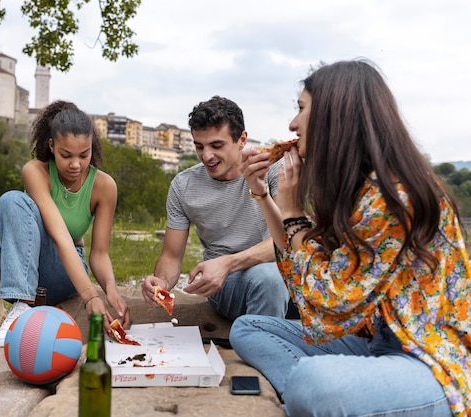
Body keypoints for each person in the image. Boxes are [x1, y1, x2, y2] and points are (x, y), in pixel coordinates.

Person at [234, 59, 471, 417]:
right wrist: (264, 196)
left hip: (427, 362)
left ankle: (312, 398)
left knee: (312, 381)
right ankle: (317, 403)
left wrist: (295, 212)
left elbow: (329, 300)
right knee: (248, 328)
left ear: (334, 116)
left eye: (301, 109)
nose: (292, 124)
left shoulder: (394, 197)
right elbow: (302, 281)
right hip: (375, 343)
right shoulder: (358, 190)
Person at [0, 100, 131, 348]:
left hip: (62, 273)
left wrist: (107, 291)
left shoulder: (104, 186)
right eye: (66, 155)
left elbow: (97, 251)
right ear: (51, 146)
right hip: (21, 269)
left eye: (84, 155)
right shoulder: (35, 171)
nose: (76, 164)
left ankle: (22, 312)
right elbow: (54, 231)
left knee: (13, 200)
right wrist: (90, 295)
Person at [141, 95, 291, 321]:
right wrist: (161, 282)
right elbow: (171, 255)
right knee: (268, 279)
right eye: (199, 146)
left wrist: (228, 263)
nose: (206, 156)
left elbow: (289, 239)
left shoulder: (271, 170)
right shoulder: (183, 186)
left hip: (282, 273)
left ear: (242, 139)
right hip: (226, 284)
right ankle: (265, 342)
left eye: (216, 145)